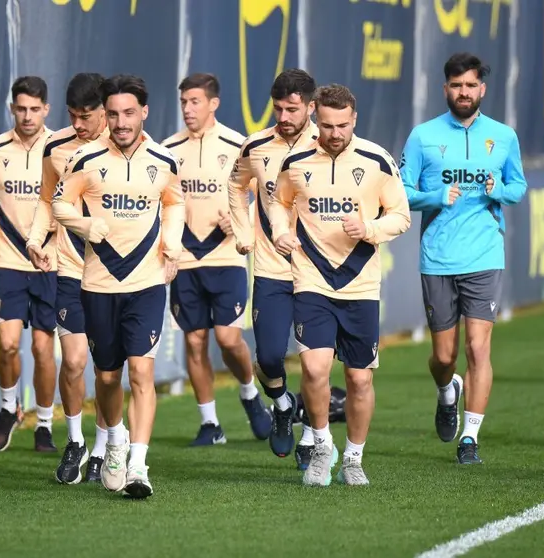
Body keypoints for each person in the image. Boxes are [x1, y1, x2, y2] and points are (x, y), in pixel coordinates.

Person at [267, 83, 410, 486]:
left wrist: (369, 229)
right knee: (315, 370)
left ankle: (354, 458)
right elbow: (278, 202)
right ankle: (321, 445)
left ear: (354, 119)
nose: (335, 133)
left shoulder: (377, 160)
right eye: (327, 125)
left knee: (359, 379)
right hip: (311, 277)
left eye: (342, 125)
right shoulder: (296, 161)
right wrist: (280, 231)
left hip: (359, 283)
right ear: (317, 118)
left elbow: (400, 215)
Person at [52, 74, 184, 498]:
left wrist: (172, 244)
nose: (121, 122)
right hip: (97, 284)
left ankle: (138, 467)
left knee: (142, 370)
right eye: (113, 114)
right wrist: (85, 225)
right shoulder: (85, 159)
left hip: (147, 283)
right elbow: (58, 204)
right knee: (107, 378)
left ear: (144, 111)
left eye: (129, 113)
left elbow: (175, 202)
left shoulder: (163, 160)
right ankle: (114, 441)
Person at [399, 52, 527, 464]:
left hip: (485, 254)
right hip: (438, 257)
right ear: (445, 89)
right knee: (444, 357)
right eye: (457, 86)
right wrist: (436, 196)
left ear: (482, 89)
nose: (464, 92)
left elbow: (517, 186)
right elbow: (401, 192)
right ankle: (446, 390)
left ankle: (470, 437)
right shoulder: (423, 136)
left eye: (471, 85)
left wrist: (497, 190)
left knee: (478, 348)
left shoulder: (503, 136)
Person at [227, 68, 345, 468]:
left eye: (292, 109)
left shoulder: (328, 144)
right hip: (271, 268)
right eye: (278, 108)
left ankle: (311, 436)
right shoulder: (256, 145)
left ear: (310, 107)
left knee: (316, 364)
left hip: (318, 272)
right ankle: (281, 404)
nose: (283, 116)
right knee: (269, 357)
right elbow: (235, 186)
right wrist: (243, 231)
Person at [160, 73, 272, 446]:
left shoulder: (238, 145)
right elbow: (160, 200)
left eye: (195, 101)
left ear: (214, 103)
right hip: (186, 258)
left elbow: (263, 196)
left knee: (227, 338)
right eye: (184, 102)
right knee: (194, 342)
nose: (188, 109)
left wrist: (239, 220)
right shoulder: (168, 149)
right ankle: (210, 424)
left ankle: (249, 392)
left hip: (226, 256)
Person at [26, 72, 116, 484]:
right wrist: (36, 239)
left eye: (86, 116)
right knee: (75, 361)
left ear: (104, 111)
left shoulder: (126, 146)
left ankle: (103, 447)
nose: (78, 124)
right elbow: (47, 200)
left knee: (107, 370)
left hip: (114, 274)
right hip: (69, 268)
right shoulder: (55, 147)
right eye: (72, 116)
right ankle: (76, 441)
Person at [0, 76, 58, 453]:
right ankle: (9, 409)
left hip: (50, 263)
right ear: (12, 109)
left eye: (35, 109)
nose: (27, 116)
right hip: (8, 261)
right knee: (7, 345)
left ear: (46, 110)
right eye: (21, 109)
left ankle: (45, 424)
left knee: (42, 348)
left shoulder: (60, 149)